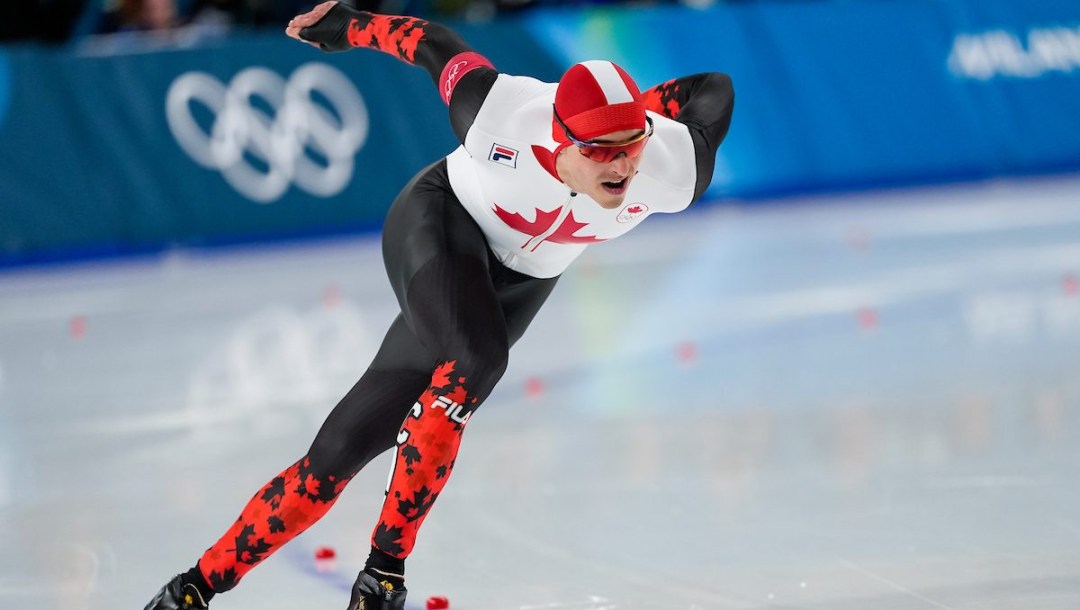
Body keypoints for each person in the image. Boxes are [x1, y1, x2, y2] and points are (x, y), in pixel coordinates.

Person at [143, 1, 733, 608]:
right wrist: (347, 24)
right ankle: (384, 576)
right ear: (561, 138)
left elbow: (714, 89)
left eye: (631, 144)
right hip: (442, 221)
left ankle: (190, 589)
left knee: (338, 454)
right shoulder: (498, 114)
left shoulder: (672, 169)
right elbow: (433, 42)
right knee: (478, 359)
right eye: (602, 150)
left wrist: (645, 112)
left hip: (524, 277)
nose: (624, 166)